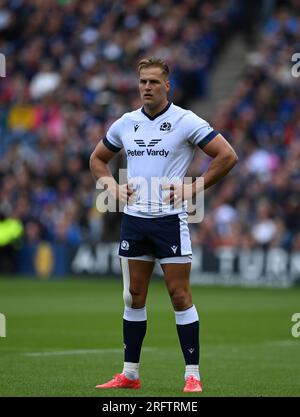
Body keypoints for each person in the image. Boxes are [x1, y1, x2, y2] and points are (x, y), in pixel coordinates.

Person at [89, 57, 238, 392]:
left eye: (154, 82)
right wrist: (112, 187)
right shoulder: (126, 123)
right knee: (134, 296)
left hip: (170, 221)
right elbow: (97, 159)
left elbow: (227, 155)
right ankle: (130, 374)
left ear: (167, 86)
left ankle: (193, 374)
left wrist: (193, 187)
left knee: (179, 295)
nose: (146, 87)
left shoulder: (185, 121)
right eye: (142, 82)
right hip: (134, 222)